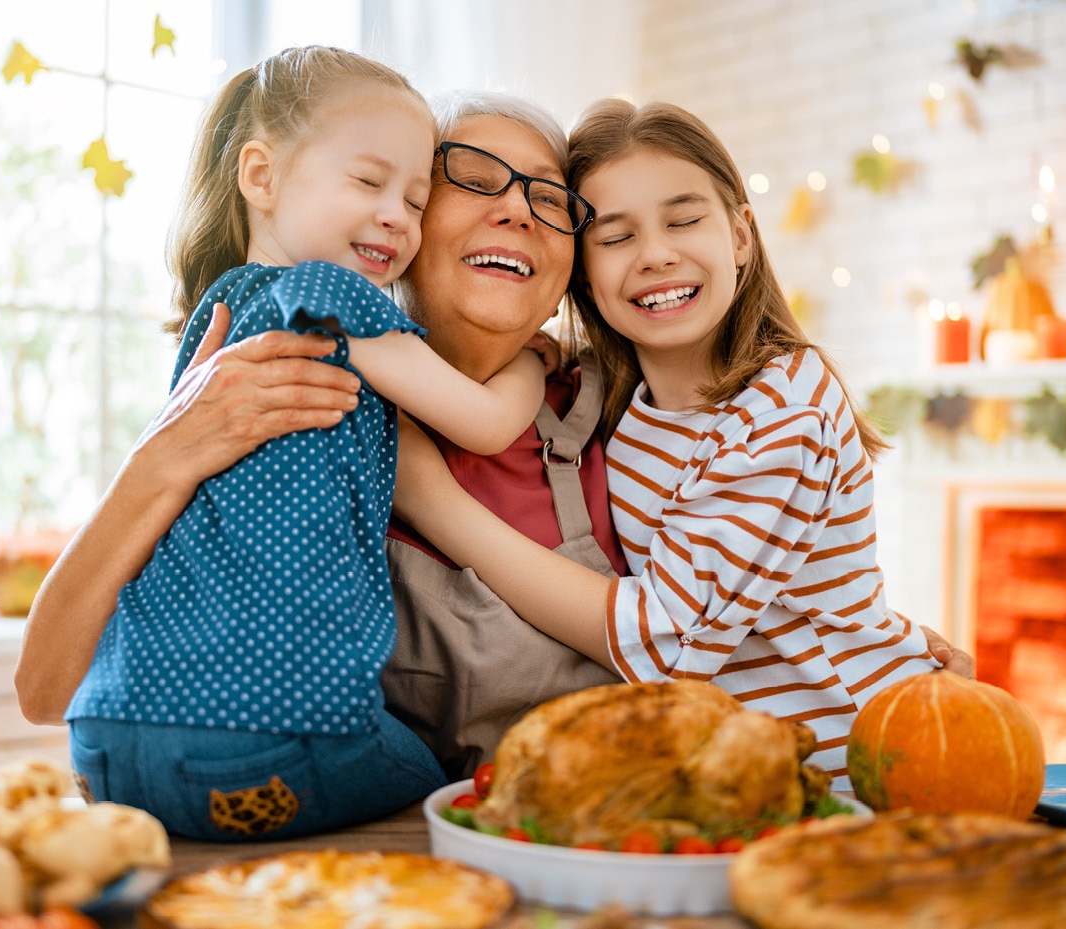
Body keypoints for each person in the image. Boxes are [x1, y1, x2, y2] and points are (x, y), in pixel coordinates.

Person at [16, 86, 971, 807]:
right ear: (400, 226)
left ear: (568, 268)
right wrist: (166, 459)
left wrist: (875, 641)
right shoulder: (288, 393)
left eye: (550, 199)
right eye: (472, 178)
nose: (515, 208)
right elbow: (44, 686)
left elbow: (718, 599)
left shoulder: (609, 403)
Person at [39, 46, 568, 842]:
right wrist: (535, 354)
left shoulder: (211, 324)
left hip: (108, 742)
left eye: (414, 199)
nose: (396, 214)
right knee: (440, 783)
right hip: (271, 741)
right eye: (368, 182)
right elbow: (488, 423)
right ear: (261, 175)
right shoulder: (330, 296)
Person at [390, 99, 946, 784]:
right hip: (728, 782)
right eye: (615, 237)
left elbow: (663, 641)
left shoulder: (783, 407)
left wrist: (428, 499)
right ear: (583, 274)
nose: (656, 254)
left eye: (683, 220)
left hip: (852, 772)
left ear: (741, 235)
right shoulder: (612, 396)